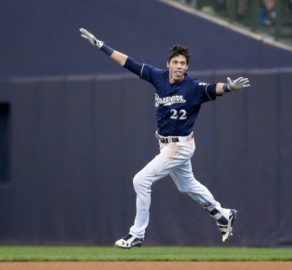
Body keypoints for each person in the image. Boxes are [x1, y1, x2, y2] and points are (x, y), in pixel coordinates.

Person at [79, 28, 250, 249]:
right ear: (168, 63)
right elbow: (128, 63)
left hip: (180, 146)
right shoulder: (158, 76)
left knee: (140, 180)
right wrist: (101, 45)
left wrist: (229, 87)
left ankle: (137, 234)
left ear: (187, 67)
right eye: (176, 62)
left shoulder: (192, 86)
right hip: (166, 144)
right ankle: (223, 214)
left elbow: (211, 88)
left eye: (183, 63)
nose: (179, 66)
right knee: (187, 186)